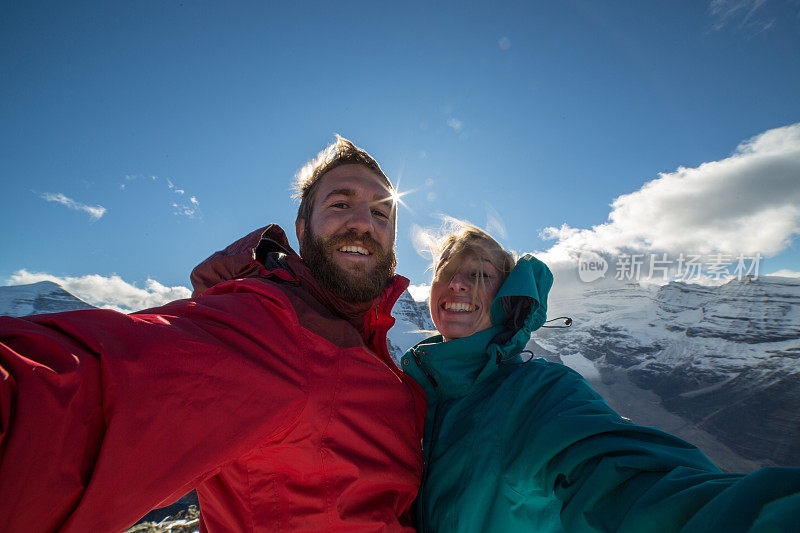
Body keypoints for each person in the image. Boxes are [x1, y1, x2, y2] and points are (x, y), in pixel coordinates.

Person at [0, 136, 426, 532]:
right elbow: (91, 392)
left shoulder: (367, 337)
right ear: (301, 230)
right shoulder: (270, 326)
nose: (363, 223)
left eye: (381, 212)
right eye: (339, 204)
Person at [401, 224, 800, 532]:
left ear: (507, 301)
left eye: (481, 275)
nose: (458, 283)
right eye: (448, 271)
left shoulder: (537, 395)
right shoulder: (409, 389)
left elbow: (624, 481)